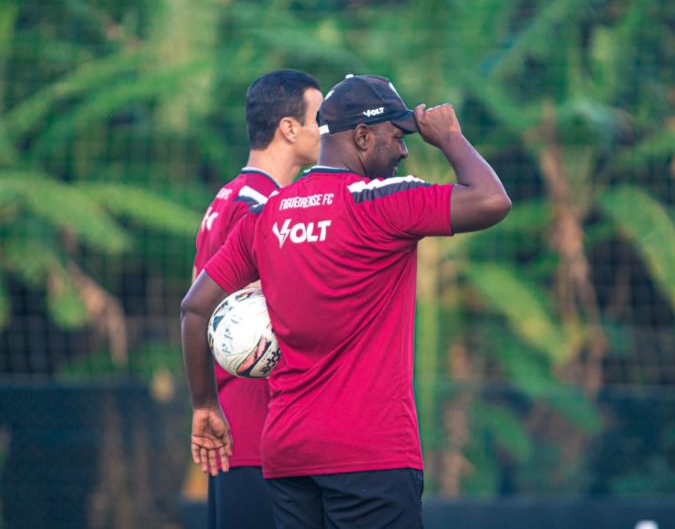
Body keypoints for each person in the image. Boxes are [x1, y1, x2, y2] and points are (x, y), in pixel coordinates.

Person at [181, 74, 511, 527]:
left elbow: (194, 308)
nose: (404, 150)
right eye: (396, 137)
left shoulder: (266, 214)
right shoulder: (381, 204)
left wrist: (204, 405)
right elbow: (492, 200)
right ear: (361, 136)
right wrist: (450, 137)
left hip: (287, 457)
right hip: (369, 454)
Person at [186, 69, 323, 528]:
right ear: (289, 128)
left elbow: (197, 307)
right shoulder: (262, 207)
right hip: (261, 430)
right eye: (318, 119)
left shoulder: (225, 198)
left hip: (233, 426)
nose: (326, 131)